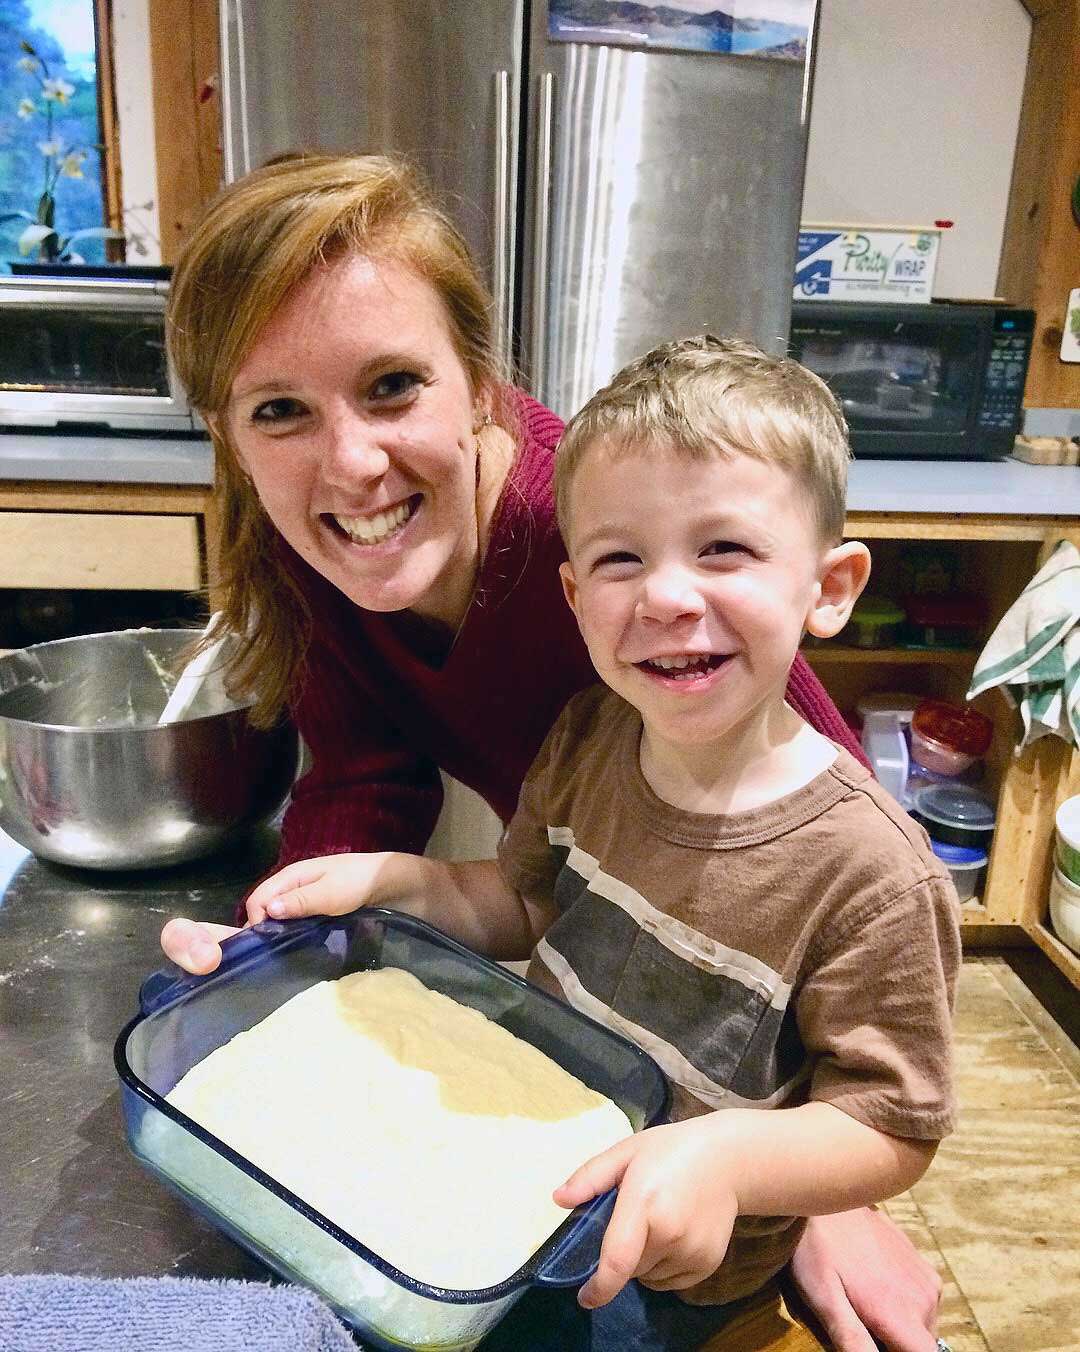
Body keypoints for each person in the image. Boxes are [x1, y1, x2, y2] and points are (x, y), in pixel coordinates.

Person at [158, 152, 949, 1350]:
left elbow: (801, 830)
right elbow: (370, 769)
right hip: (584, 1090)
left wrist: (810, 1182)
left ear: (477, 383)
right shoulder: (310, 543)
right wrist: (287, 946)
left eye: (391, 386)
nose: (354, 464)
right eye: (280, 409)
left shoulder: (605, 549)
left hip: (704, 1181)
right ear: (227, 431)